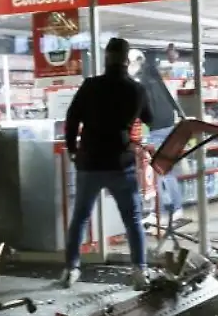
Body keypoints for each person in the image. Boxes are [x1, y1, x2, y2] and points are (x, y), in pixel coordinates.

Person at [56, 38, 153, 289]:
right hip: (121, 162)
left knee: (80, 218)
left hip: (89, 161)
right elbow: (150, 118)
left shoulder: (90, 86)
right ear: (126, 60)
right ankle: (139, 271)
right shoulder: (136, 89)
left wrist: (74, 150)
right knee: (132, 219)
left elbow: (72, 117)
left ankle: (71, 269)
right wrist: (135, 138)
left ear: (107, 57)